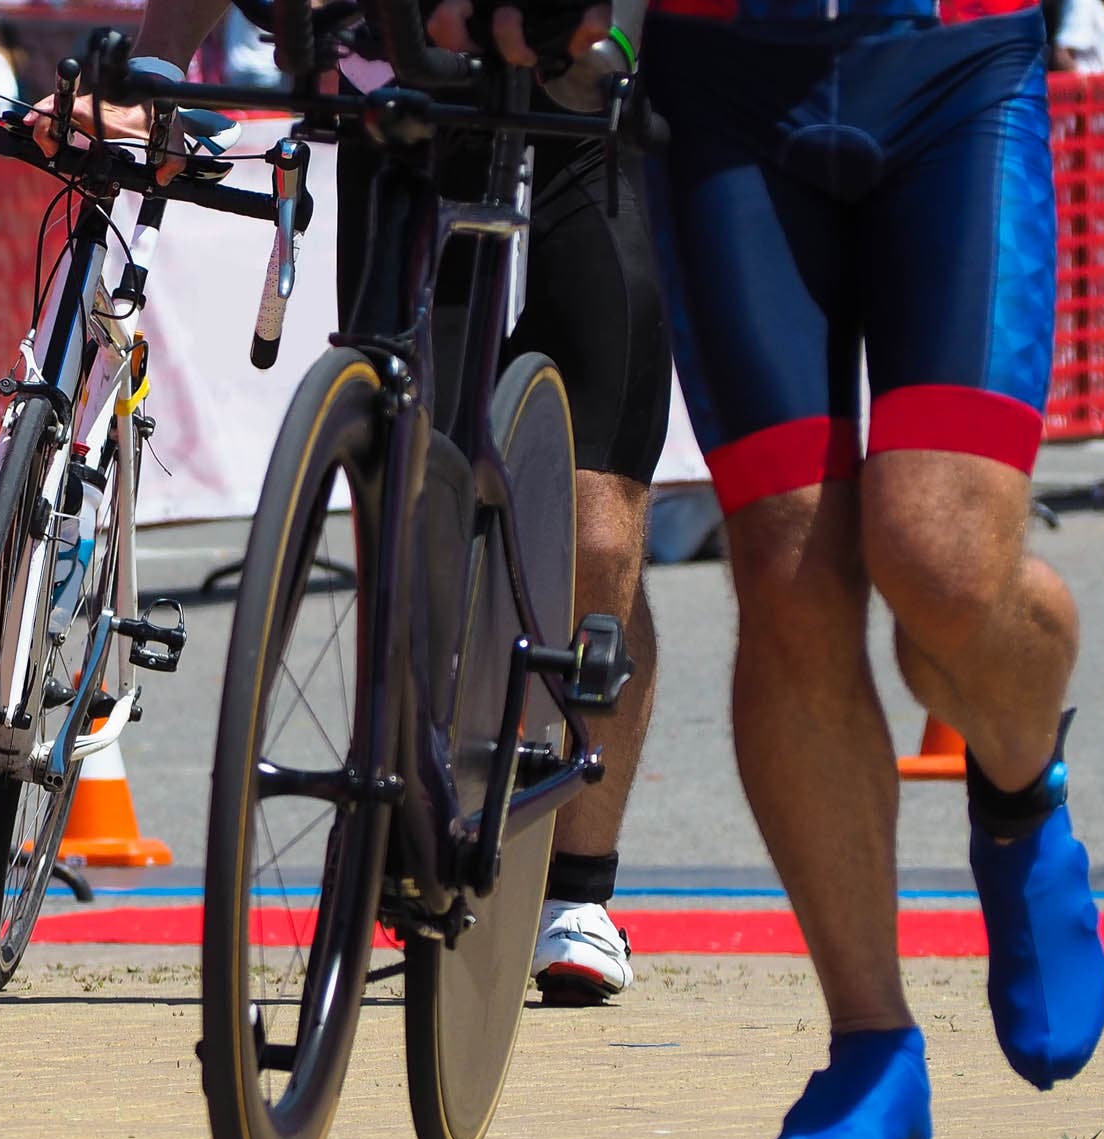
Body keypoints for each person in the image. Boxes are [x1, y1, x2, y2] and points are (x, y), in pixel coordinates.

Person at [40, 0, 668, 1008]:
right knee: (408, 475)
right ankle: (404, 770)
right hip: (411, 118)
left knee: (597, 533)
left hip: (573, 118)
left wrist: (609, 41)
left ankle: (579, 892)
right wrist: (145, 66)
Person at [637, 0, 1104, 1139]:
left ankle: (1019, 789)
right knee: (790, 567)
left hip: (953, 69)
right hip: (725, 81)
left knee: (940, 552)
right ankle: (870, 1042)